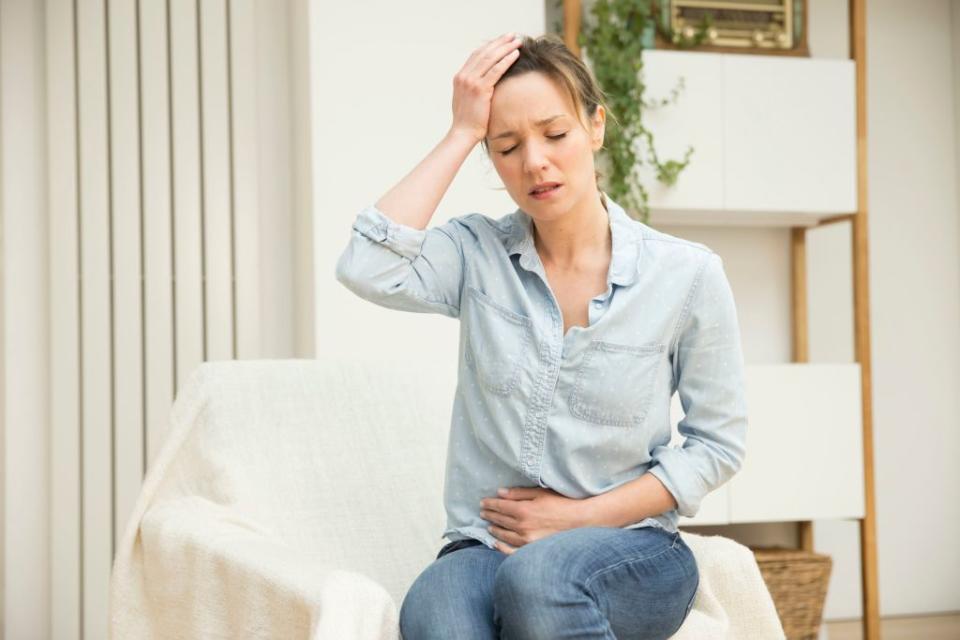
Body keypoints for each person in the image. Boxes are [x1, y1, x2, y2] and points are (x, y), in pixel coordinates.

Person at [335, 31, 748, 640]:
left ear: (595, 127)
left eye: (555, 134)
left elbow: (717, 445)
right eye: (506, 146)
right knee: (434, 615)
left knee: (540, 579)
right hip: (486, 545)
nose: (535, 162)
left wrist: (577, 518)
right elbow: (365, 267)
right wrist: (459, 133)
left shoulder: (686, 275)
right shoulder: (475, 255)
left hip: (633, 549)